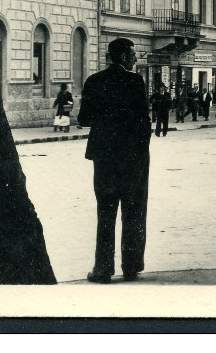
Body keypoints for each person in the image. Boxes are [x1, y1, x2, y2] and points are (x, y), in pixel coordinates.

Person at [77, 38, 152, 283]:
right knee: (134, 211)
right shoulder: (135, 82)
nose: (135, 59)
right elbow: (143, 122)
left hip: (105, 158)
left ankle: (103, 269)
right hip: (132, 158)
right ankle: (131, 266)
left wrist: (105, 119)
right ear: (122, 57)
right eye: (132, 55)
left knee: (106, 212)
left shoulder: (94, 81)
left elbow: (84, 119)